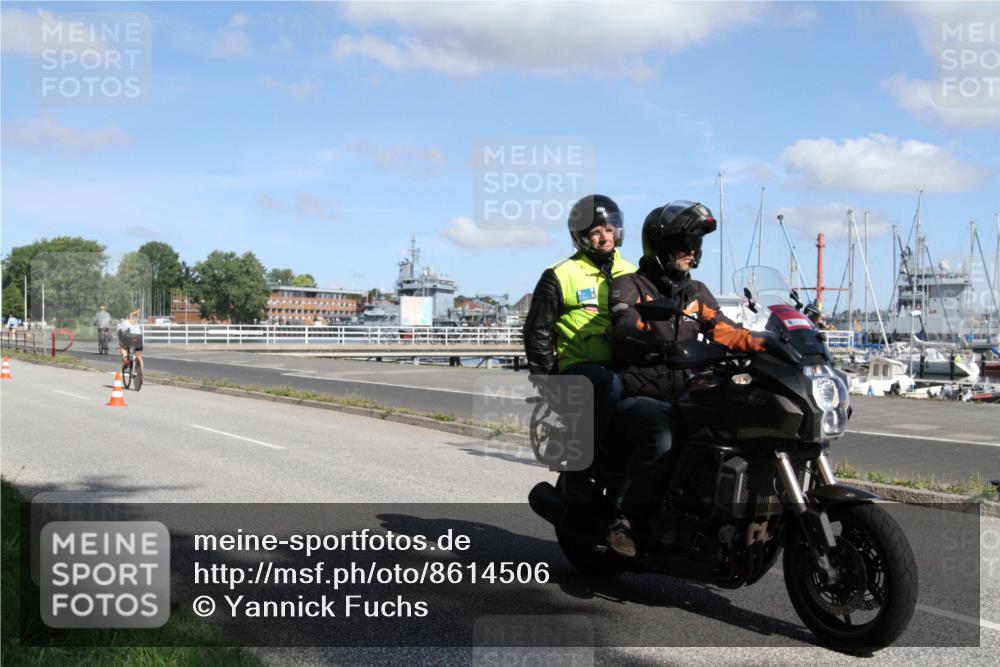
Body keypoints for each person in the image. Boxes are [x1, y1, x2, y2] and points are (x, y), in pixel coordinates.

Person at [607, 200, 773, 556]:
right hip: (640, 395)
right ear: (660, 246)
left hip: (685, 396)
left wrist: (768, 343)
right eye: (684, 244)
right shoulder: (630, 285)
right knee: (663, 434)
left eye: (695, 245)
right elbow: (624, 326)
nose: (691, 251)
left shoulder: (696, 293)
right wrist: (652, 344)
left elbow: (725, 330)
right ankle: (626, 519)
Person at [522, 194, 637, 468]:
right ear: (582, 237)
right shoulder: (560, 274)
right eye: (596, 232)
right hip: (580, 367)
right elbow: (537, 332)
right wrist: (549, 383)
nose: (604, 238)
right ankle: (580, 462)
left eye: (609, 230)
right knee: (608, 385)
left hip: (624, 364)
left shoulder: (633, 273)